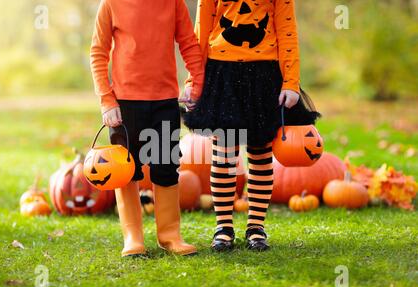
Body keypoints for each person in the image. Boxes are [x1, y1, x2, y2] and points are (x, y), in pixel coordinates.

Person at [182, 0, 320, 251]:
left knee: (260, 154)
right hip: (222, 75)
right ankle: (223, 227)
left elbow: (288, 33)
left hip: (264, 75)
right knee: (223, 156)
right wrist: (194, 82)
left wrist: (290, 83)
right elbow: (200, 32)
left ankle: (256, 227)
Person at [90, 0, 204, 257]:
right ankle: (133, 237)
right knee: (125, 170)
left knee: (166, 167)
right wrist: (107, 100)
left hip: (164, 102)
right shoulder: (110, 3)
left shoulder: (173, 3)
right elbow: (98, 52)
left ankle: (170, 235)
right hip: (123, 104)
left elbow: (189, 43)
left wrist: (196, 83)